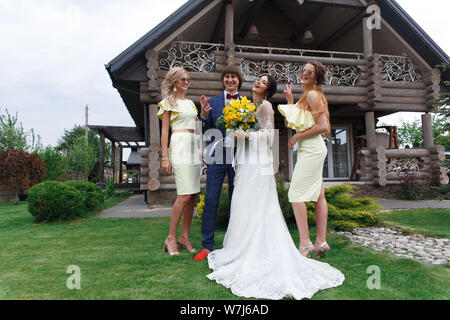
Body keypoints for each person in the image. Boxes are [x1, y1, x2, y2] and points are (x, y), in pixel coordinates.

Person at [206, 74, 345, 300]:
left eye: (264, 82)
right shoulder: (248, 105)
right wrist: (236, 131)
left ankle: (265, 247)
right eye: (258, 79)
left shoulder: (267, 106)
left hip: (258, 161)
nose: (258, 82)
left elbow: (269, 136)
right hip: (246, 159)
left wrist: (246, 135)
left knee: (257, 201)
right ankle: (240, 246)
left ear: (268, 90)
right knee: (243, 201)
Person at [278, 61, 331, 258]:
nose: (304, 73)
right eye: (302, 70)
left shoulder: (312, 94)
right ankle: (321, 241)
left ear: (316, 77)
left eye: (309, 71)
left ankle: (305, 243)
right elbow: (289, 122)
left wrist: (296, 137)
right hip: (312, 148)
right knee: (318, 195)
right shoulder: (307, 95)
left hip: (312, 149)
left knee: (295, 194)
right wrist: (290, 101)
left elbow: (322, 126)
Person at [194, 64, 243, 261]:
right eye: (227, 77)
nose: (230, 80)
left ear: (239, 80)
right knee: (211, 199)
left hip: (239, 157)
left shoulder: (246, 103)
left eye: (234, 77)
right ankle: (207, 246)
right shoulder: (212, 102)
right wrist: (204, 116)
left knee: (237, 199)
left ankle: (236, 244)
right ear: (223, 80)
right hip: (217, 155)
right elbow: (206, 133)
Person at [158, 67, 201, 256]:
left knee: (192, 195)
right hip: (179, 144)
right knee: (183, 195)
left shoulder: (192, 104)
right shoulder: (168, 103)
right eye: (182, 79)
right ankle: (170, 238)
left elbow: (198, 124)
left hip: (193, 146)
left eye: (188, 79)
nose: (186, 81)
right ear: (174, 81)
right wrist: (164, 156)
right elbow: (164, 131)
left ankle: (184, 237)